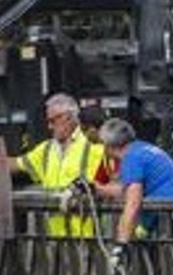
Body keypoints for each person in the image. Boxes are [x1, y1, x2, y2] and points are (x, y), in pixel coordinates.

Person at [9, 93, 112, 238]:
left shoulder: (95, 145)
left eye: (53, 121)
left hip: (92, 240)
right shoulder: (45, 149)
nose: (49, 127)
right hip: (56, 241)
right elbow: (15, 164)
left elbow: (119, 180)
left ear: (68, 117)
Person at [97, 117, 173, 249]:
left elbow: (133, 201)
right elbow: (126, 189)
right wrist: (97, 188)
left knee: (163, 267)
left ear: (108, 145)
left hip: (169, 217)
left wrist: (121, 242)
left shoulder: (132, 157)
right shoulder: (144, 148)